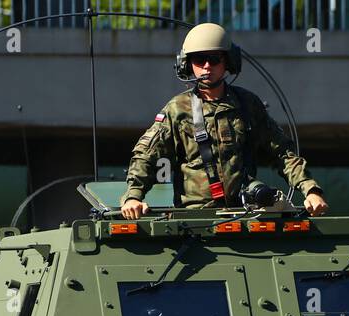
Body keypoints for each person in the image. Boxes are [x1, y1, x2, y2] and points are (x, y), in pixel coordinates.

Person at [120, 23, 328, 220]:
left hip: (245, 215)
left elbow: (282, 152)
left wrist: (310, 189)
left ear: (228, 61)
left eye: (214, 59)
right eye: (199, 60)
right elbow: (146, 155)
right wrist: (133, 196)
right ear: (186, 64)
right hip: (195, 220)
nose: (207, 66)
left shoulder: (248, 105)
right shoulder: (177, 109)